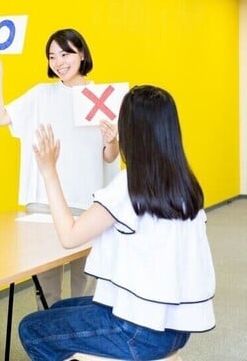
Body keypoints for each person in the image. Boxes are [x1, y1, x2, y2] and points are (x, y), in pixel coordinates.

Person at [18, 85, 216, 360]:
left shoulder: (129, 185)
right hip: (175, 326)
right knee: (59, 309)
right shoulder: (185, 183)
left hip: (138, 332)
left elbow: (70, 236)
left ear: (132, 131)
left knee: (31, 327)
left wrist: (49, 170)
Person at [0, 28, 120, 308]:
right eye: (52, 56)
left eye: (65, 53)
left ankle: (79, 335)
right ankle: (49, 335)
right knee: (46, 291)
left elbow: (109, 157)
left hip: (88, 205)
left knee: (86, 285)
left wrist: (112, 140)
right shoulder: (41, 95)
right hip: (44, 204)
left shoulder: (102, 97)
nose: (58, 62)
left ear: (81, 54)